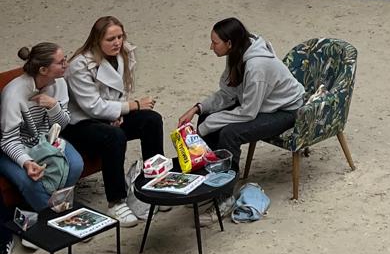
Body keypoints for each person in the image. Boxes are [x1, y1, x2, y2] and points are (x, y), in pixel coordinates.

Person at [64, 16, 164, 227]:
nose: (117, 42)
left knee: (152, 120)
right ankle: (116, 201)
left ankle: (155, 182)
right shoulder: (80, 65)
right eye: (111, 39)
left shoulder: (124, 53)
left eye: (119, 36)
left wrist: (118, 113)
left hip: (110, 113)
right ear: (97, 40)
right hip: (80, 124)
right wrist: (132, 106)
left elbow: (122, 90)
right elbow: (92, 106)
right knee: (114, 136)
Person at [178, 19, 304, 176]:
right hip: (261, 103)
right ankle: (207, 170)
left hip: (286, 110)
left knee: (230, 133)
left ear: (229, 43)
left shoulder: (256, 67)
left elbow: (248, 112)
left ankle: (225, 185)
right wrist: (197, 108)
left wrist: (210, 124)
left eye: (215, 43)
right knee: (205, 116)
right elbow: (228, 93)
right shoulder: (236, 53)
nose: (211, 47)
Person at [0, 43, 86, 217]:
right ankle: (54, 218)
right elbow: (8, 140)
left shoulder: (59, 83)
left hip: (45, 140)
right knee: (29, 181)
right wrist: (26, 162)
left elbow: (62, 126)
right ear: (43, 70)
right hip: (13, 148)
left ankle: (57, 207)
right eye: (60, 62)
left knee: (76, 164)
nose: (66, 65)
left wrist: (54, 106)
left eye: (65, 59)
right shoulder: (14, 94)